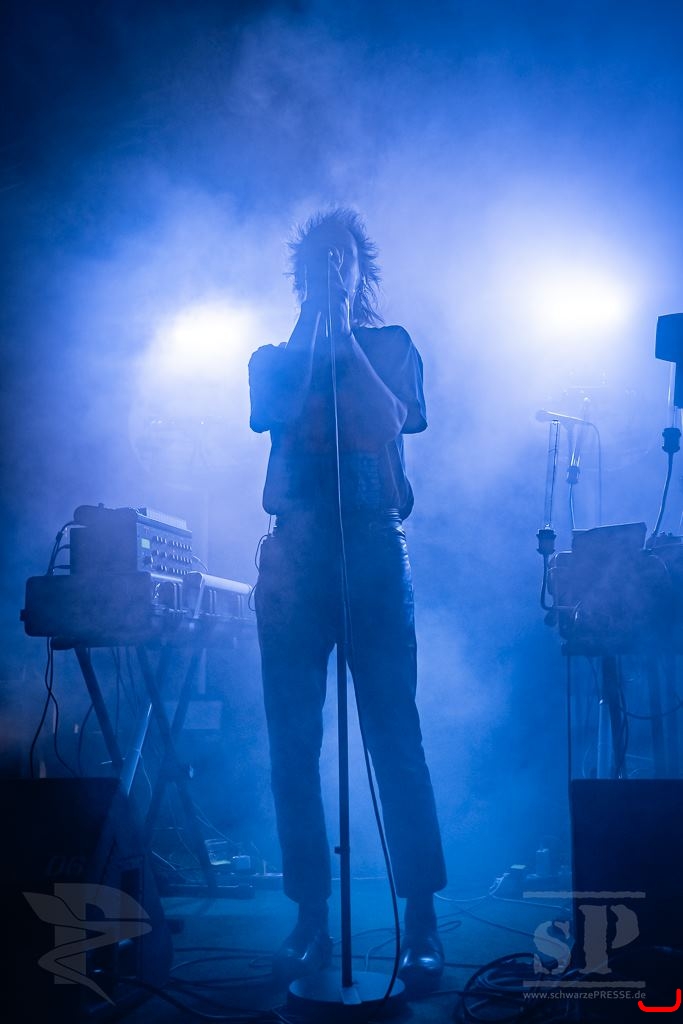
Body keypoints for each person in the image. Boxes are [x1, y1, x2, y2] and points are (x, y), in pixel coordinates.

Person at [248, 208, 447, 995]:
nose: (330, 270)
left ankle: (420, 919)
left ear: (361, 273)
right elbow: (278, 411)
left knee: (393, 734)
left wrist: (342, 335)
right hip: (295, 551)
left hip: (370, 543)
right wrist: (314, 325)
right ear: (299, 275)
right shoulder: (270, 358)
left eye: (343, 260)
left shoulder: (391, 346)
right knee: (293, 744)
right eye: (317, 261)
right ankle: (310, 918)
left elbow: (381, 422)